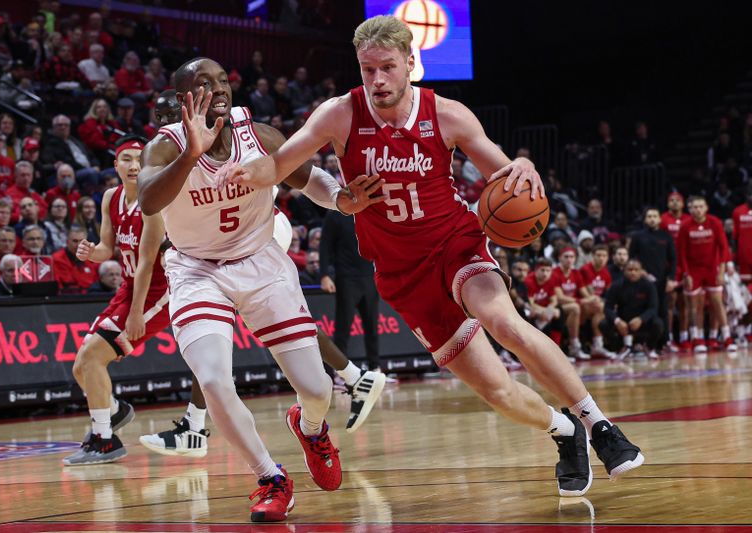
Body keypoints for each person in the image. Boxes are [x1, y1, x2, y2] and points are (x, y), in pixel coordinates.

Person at [223, 15, 644, 498]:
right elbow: (281, 163)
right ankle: (564, 431)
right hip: (401, 273)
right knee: (496, 390)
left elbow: (502, 172)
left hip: (454, 244)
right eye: (367, 70)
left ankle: (599, 426)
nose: (377, 80)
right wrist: (248, 174)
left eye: (386, 68)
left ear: (410, 64)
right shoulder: (339, 114)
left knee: (502, 321)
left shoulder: (447, 114)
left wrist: (521, 165)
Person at [136, 57, 384, 522]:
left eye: (223, 80)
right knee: (211, 379)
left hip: (261, 263)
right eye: (205, 83)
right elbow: (147, 200)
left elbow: (306, 176)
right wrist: (192, 151)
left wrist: (340, 200)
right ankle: (271, 477)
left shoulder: (258, 134)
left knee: (316, 389)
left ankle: (310, 428)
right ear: (185, 98)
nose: (220, 88)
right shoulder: (165, 148)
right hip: (197, 270)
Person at [63, 137, 170, 466]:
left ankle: (104, 439)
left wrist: (137, 313)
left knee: (93, 359)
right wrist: (90, 253)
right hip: (128, 287)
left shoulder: (154, 202)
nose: (134, 165)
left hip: (157, 293)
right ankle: (115, 411)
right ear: (115, 165)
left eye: (140, 159)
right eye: (126, 158)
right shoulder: (111, 197)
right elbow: (107, 249)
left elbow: (147, 263)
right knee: (81, 365)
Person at [320, 209, 382, 376]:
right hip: (347, 278)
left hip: (370, 276)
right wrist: (324, 274)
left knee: (372, 327)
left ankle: (375, 369)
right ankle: (340, 374)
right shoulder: (334, 214)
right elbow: (325, 245)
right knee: (343, 328)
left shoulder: (368, 210)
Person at [678, 195, 735, 353]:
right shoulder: (685, 226)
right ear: (689, 209)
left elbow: (724, 247)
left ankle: (727, 337)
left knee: (717, 302)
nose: (697, 209)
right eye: (694, 207)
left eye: (700, 206)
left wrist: (721, 271)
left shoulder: (715, 222)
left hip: (712, 268)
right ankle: (697, 337)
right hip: (693, 270)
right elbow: (681, 253)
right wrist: (686, 273)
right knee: (694, 305)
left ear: (706, 207)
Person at [628, 207, 677, 350]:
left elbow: (673, 259)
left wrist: (671, 278)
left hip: (661, 281)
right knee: (645, 311)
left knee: (663, 311)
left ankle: (665, 341)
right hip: (643, 281)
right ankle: (642, 343)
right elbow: (632, 257)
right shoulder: (637, 236)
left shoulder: (666, 236)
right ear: (645, 219)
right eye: (649, 216)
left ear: (660, 219)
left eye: (655, 216)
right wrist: (640, 272)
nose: (652, 219)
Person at [601, 259, 663, 359]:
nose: (633, 272)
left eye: (636, 270)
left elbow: (653, 308)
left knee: (658, 324)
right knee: (603, 324)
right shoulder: (616, 285)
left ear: (641, 271)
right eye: (629, 269)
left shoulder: (649, 285)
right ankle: (619, 348)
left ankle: (648, 347)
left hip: (642, 321)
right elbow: (607, 308)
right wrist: (617, 321)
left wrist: (641, 319)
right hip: (623, 322)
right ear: (624, 271)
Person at [660, 192, 690, 351]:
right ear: (667, 203)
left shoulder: (688, 219)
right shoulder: (663, 219)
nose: (674, 203)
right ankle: (669, 338)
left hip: (685, 264)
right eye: (671, 200)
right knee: (670, 303)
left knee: (684, 303)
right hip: (668, 267)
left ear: (683, 203)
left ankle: (684, 337)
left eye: (677, 200)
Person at [52, 226, 98, 294]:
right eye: (75, 241)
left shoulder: (91, 258)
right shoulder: (57, 259)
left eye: (82, 241)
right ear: (67, 242)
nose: (79, 245)